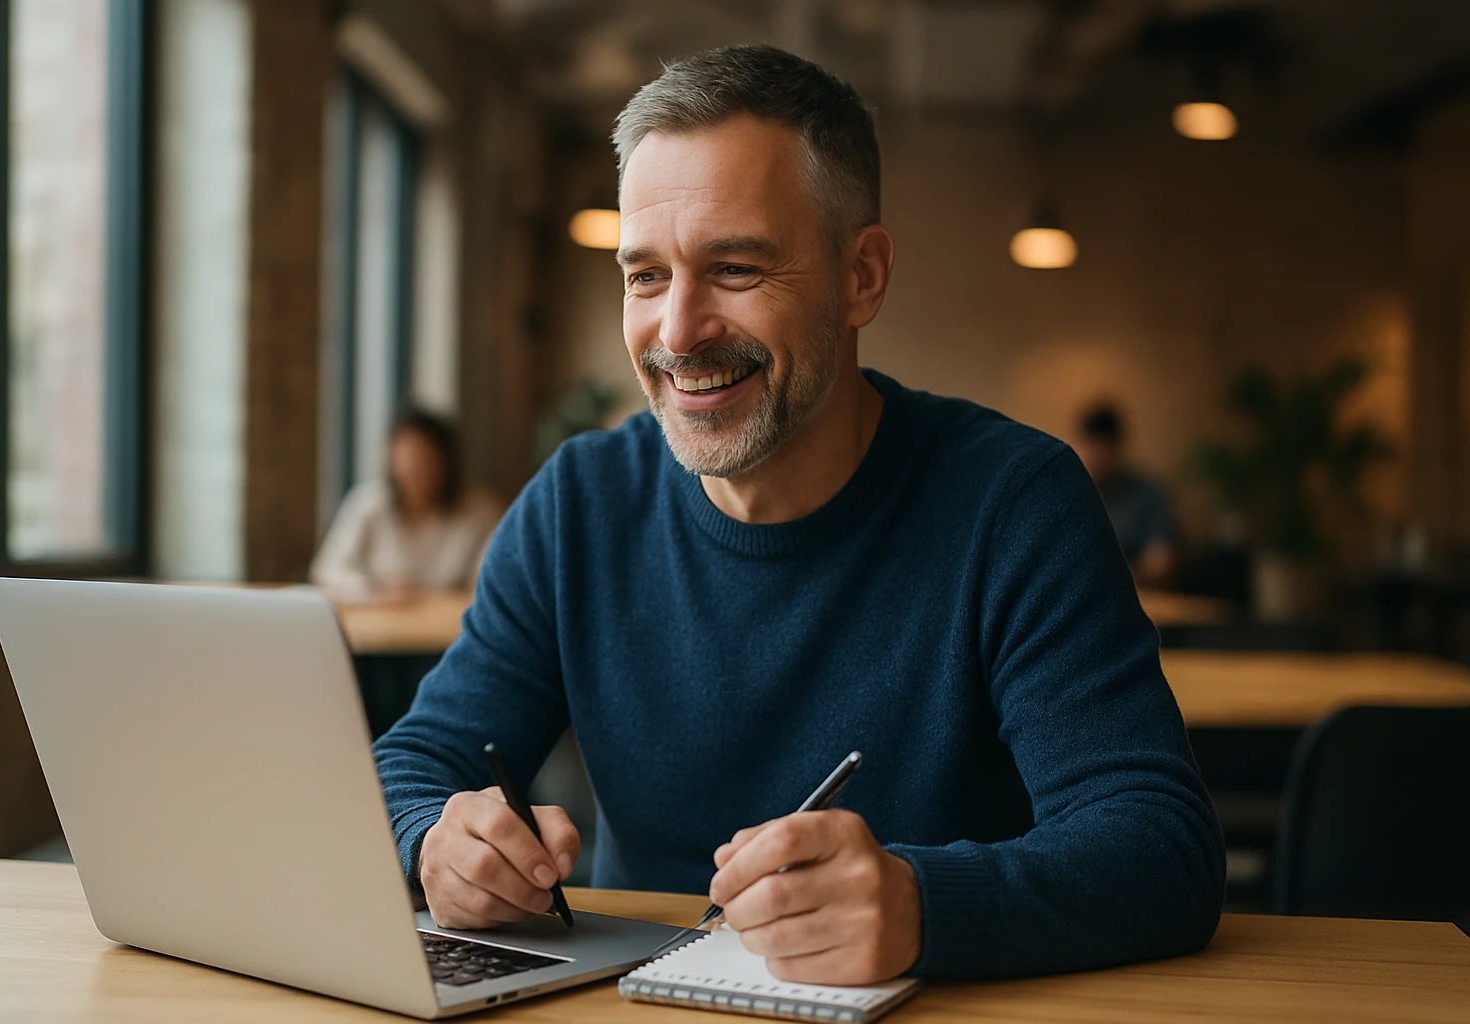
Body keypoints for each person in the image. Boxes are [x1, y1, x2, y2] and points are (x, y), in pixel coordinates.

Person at [374, 45, 1223, 985]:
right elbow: (412, 761)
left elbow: (1162, 846)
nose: (678, 332)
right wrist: (433, 842)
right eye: (645, 275)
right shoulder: (579, 504)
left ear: (862, 275)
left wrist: (921, 905)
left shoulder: (1014, 503)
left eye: (735, 267)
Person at [311, 407, 500, 603]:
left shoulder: (480, 511)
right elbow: (328, 570)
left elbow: (491, 578)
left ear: (445, 460)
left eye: (424, 457)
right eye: (406, 456)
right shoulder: (368, 503)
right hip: (379, 624)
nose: (413, 467)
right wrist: (375, 589)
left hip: (452, 626)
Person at [1076, 403, 1179, 588]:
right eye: (1092, 447)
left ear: (1117, 447)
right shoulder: (1073, 492)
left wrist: (1119, 576)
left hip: (1135, 593)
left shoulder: (1146, 493)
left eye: (1104, 449)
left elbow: (1160, 561)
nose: (1098, 456)